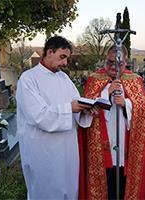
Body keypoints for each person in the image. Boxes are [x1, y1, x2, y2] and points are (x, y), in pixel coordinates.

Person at [16, 36, 94, 199]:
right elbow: (38, 115)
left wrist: (84, 110)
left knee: (68, 188)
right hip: (42, 150)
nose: (65, 63)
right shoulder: (28, 79)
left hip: (67, 149)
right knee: (46, 190)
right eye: (62, 57)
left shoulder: (64, 78)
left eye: (67, 58)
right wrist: (69, 108)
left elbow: (75, 104)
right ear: (49, 52)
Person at [78, 45, 145, 199]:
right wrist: (105, 93)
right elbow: (86, 106)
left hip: (125, 138)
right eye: (110, 63)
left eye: (119, 64)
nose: (114, 68)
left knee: (123, 181)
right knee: (106, 179)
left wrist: (126, 104)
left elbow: (143, 108)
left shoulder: (135, 80)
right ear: (105, 60)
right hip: (103, 137)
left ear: (125, 62)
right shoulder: (94, 79)